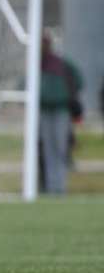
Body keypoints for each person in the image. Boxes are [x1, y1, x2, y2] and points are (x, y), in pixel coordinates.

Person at [38, 32, 83, 194]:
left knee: (61, 147)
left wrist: (66, 96)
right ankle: (51, 187)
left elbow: (78, 80)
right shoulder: (37, 64)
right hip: (44, 112)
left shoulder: (61, 62)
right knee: (48, 150)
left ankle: (60, 186)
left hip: (62, 111)